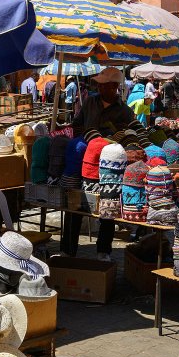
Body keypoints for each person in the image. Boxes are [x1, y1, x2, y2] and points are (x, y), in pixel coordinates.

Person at [61, 66, 135, 261]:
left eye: (105, 86)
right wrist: (83, 143)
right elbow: (77, 124)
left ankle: (104, 250)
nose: (101, 88)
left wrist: (112, 142)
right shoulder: (89, 102)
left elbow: (131, 136)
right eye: (100, 85)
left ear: (114, 86)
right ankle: (68, 250)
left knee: (107, 206)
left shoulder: (125, 111)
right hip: (83, 163)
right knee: (74, 205)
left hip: (109, 170)